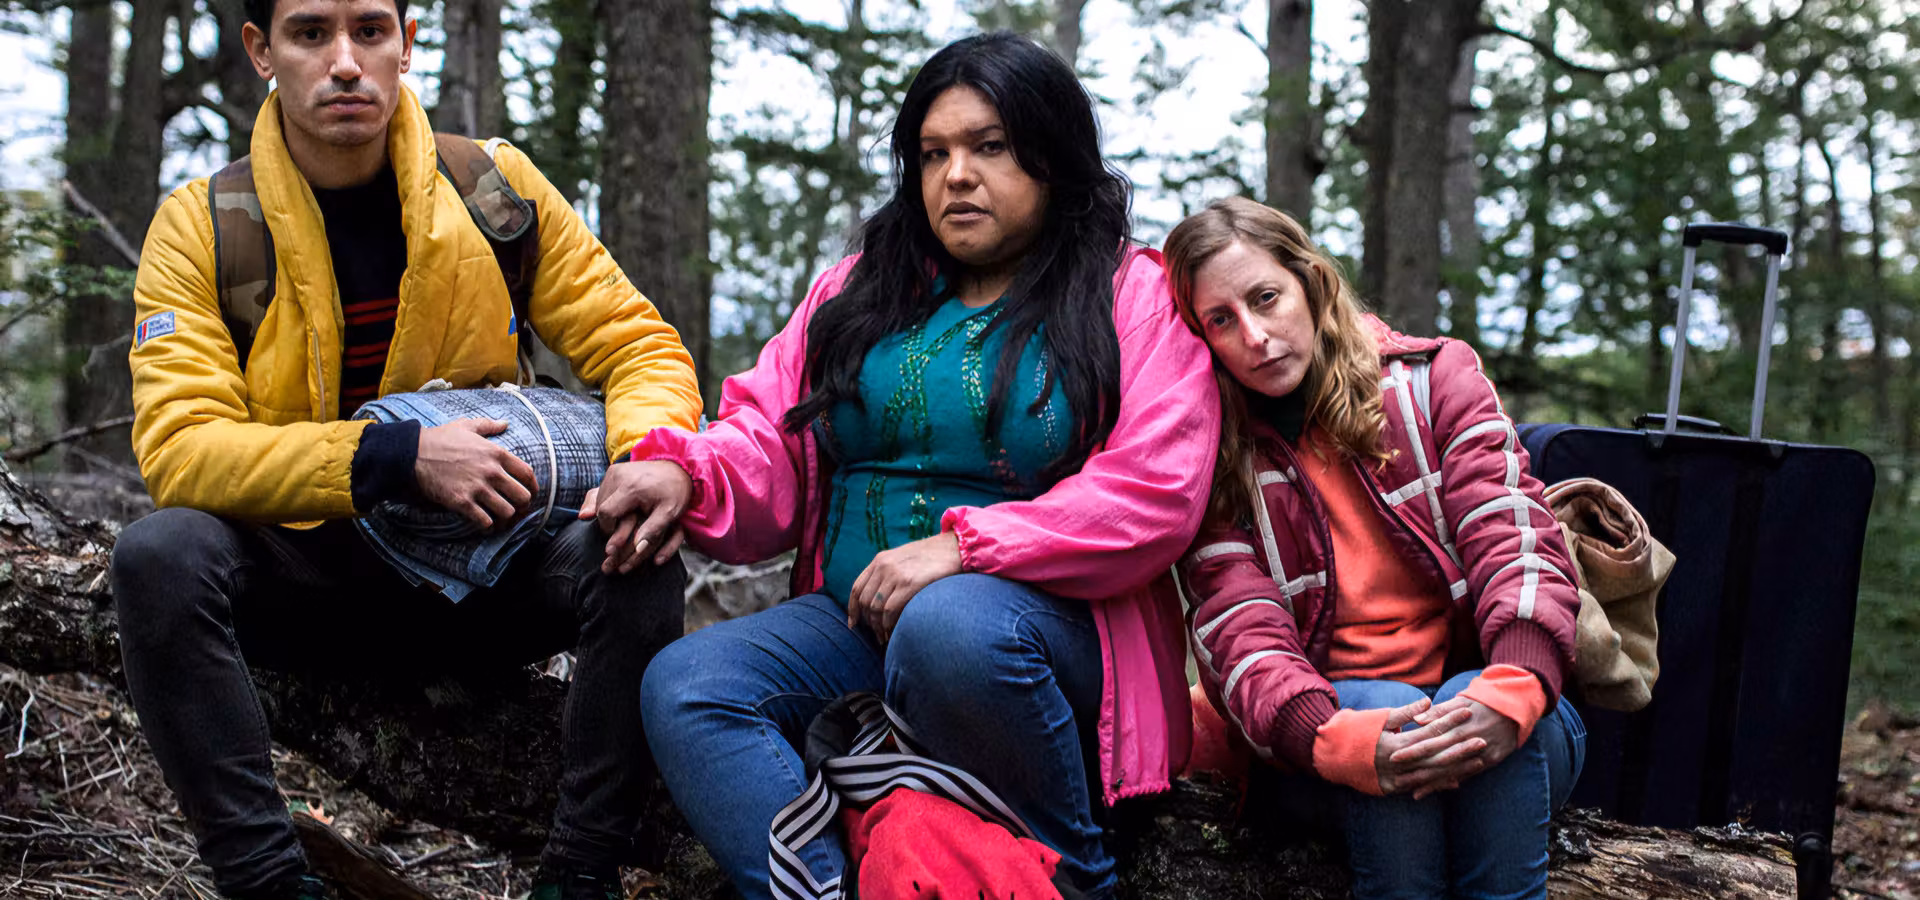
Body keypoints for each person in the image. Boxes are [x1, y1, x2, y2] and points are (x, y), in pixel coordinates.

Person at [588, 32, 1219, 899]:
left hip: (1044, 653)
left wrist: (965, 549)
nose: (956, 175)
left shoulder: (1131, 295)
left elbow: (1156, 493)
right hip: (855, 629)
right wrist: (688, 473)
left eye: (989, 146)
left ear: (1054, 156)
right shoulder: (860, 290)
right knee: (691, 683)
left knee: (947, 624)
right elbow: (770, 434)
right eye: (933, 153)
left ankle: (1077, 879)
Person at [110, 0, 701, 896]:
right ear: (261, 51)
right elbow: (182, 447)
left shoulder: (491, 188)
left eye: (370, 31)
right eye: (312, 33)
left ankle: (580, 874)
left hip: (486, 575)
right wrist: (396, 458)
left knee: (635, 551)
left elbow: (639, 347)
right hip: (310, 585)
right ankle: (269, 883)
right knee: (159, 554)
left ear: (407, 43)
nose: (346, 62)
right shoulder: (204, 225)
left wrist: (648, 455)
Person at [1162, 196, 1586, 900]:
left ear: (1311, 283)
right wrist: (1341, 739)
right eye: (1221, 321)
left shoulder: (1435, 380)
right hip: (1323, 736)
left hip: (1500, 706)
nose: (1256, 337)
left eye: (1266, 298)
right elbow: (1239, 631)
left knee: (1467, 707)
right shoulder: (1209, 460)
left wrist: (1511, 684)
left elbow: (1513, 533)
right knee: (1384, 711)